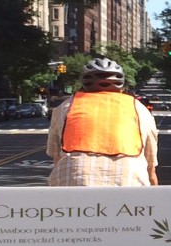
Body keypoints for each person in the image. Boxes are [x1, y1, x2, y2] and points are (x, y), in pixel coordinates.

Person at [46, 57, 159, 186]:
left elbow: (56, 156)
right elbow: (150, 165)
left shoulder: (64, 108)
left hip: (73, 181)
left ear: (83, 83)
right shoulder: (139, 109)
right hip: (129, 182)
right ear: (121, 86)